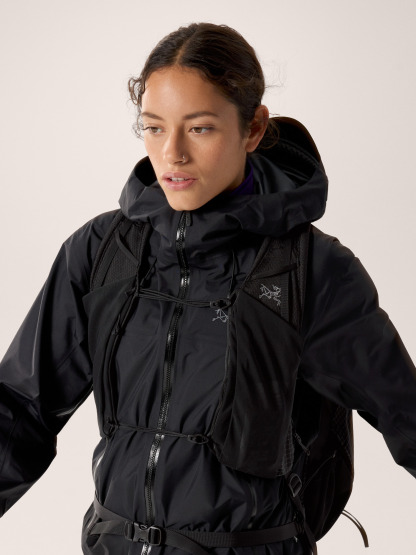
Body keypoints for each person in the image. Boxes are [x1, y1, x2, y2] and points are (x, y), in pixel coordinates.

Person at [0, 21, 415, 555]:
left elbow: (406, 413)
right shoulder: (103, 251)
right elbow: (21, 410)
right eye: (153, 127)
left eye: (199, 128)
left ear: (253, 128)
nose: (172, 153)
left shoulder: (308, 269)